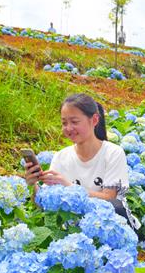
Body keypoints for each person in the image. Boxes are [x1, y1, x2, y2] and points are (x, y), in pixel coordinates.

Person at [24, 93, 137, 226]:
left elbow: (110, 198)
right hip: (73, 231)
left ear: (94, 120)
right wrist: (33, 184)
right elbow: (43, 204)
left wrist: (70, 187)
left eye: (74, 122)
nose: (68, 128)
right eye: (64, 123)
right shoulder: (61, 157)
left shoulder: (113, 153)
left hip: (109, 225)